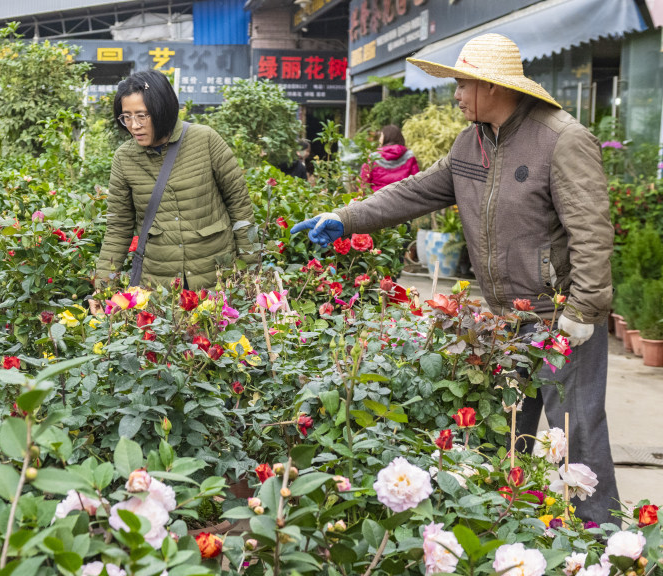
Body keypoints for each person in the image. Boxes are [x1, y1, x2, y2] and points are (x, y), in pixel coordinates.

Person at [291, 34, 619, 526]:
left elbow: (592, 231)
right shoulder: (473, 142)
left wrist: (583, 311)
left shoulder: (561, 139)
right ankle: (515, 542)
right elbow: (416, 191)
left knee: (579, 436)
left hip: (560, 320)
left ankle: (608, 550)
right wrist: (346, 217)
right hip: (507, 323)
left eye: (463, 84)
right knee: (507, 436)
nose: (456, 94)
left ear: (494, 87)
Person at [95, 70, 259, 290]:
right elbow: (118, 228)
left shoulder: (205, 140)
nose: (134, 125)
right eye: (127, 117)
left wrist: (251, 277)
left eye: (142, 115)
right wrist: (103, 286)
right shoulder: (124, 159)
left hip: (216, 279)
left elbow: (240, 208)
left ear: (162, 110)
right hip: (160, 288)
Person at [360, 124, 420, 191]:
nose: (379, 139)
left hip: (377, 199)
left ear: (385, 138)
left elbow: (363, 185)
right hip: (402, 198)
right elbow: (416, 183)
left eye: (381, 136)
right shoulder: (410, 157)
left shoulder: (372, 158)